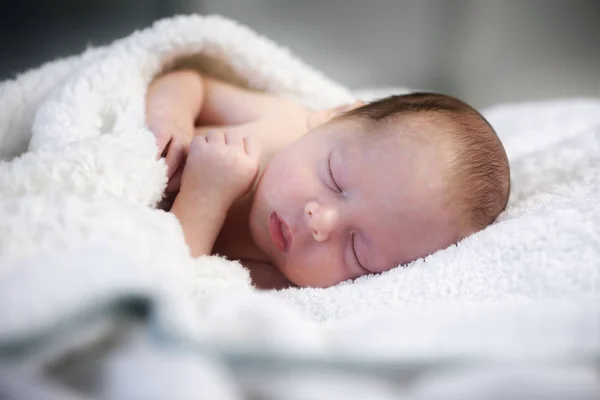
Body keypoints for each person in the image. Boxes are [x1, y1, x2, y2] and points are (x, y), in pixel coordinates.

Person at [145, 69, 510, 289]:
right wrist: (171, 120)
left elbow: (167, 277)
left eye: (357, 251)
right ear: (333, 116)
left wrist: (205, 196)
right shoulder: (279, 122)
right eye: (334, 178)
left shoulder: (272, 276)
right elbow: (191, 82)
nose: (319, 222)